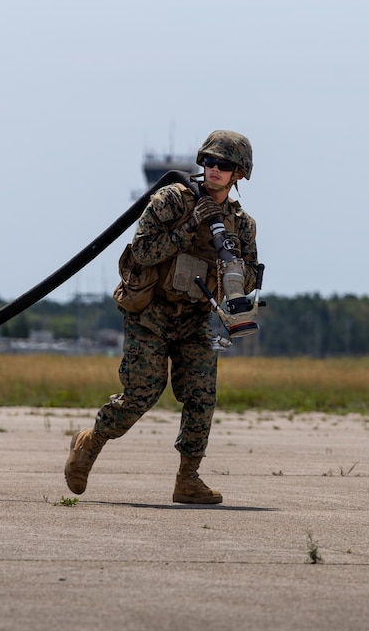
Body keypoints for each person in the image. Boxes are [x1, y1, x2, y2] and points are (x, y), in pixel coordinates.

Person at [64, 129, 259, 504]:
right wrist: (188, 228)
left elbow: (247, 279)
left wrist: (232, 260)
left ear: (240, 174)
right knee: (141, 393)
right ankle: (89, 443)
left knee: (202, 395)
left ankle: (188, 479)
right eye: (209, 162)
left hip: (196, 317)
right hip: (151, 312)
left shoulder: (242, 225)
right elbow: (142, 252)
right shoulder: (172, 201)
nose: (214, 169)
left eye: (224, 165)